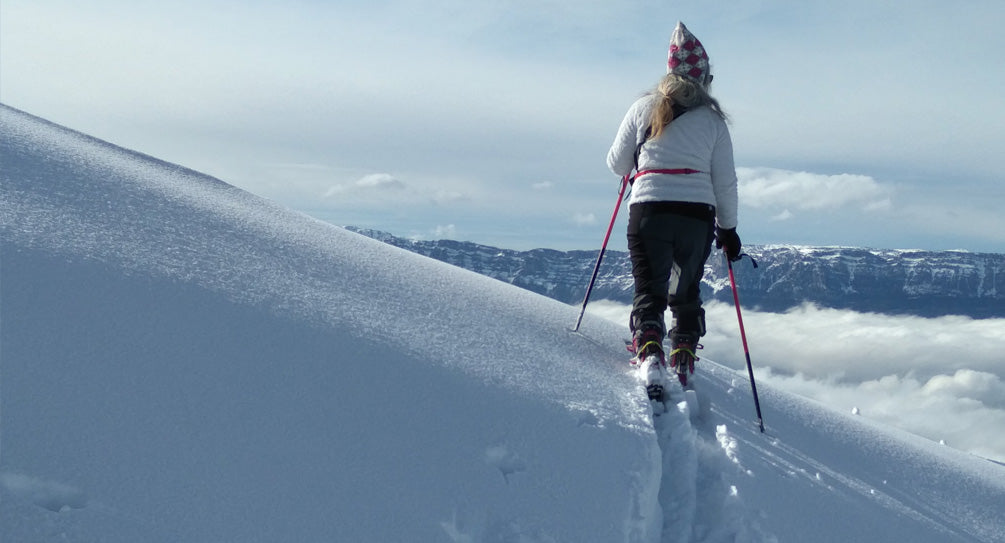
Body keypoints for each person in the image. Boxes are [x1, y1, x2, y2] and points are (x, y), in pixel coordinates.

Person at [606, 21, 741, 386]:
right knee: (686, 288)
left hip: (649, 209)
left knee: (649, 287)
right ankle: (684, 350)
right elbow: (725, 182)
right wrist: (728, 230)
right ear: (704, 78)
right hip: (697, 217)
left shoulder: (643, 108)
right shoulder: (714, 122)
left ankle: (648, 347)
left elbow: (616, 164)